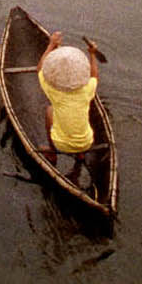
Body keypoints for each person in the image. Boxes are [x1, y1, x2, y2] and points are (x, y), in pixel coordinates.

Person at [38, 29, 100, 183]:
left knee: (50, 110)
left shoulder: (54, 91)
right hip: (86, 142)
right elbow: (94, 76)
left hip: (61, 144)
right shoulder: (87, 90)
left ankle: (52, 152)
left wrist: (51, 44)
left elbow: (39, 68)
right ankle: (80, 154)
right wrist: (92, 54)